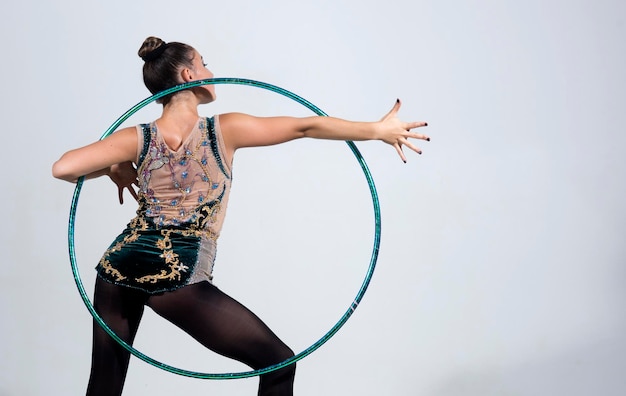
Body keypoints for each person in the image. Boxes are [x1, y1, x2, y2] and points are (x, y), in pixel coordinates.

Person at [52, 36, 429, 396]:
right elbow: (305, 126)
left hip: (118, 267)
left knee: (105, 383)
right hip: (177, 273)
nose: (211, 73)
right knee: (278, 363)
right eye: (204, 64)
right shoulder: (224, 129)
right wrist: (377, 130)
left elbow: (64, 168)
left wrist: (114, 168)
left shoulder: (137, 136)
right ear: (188, 75)